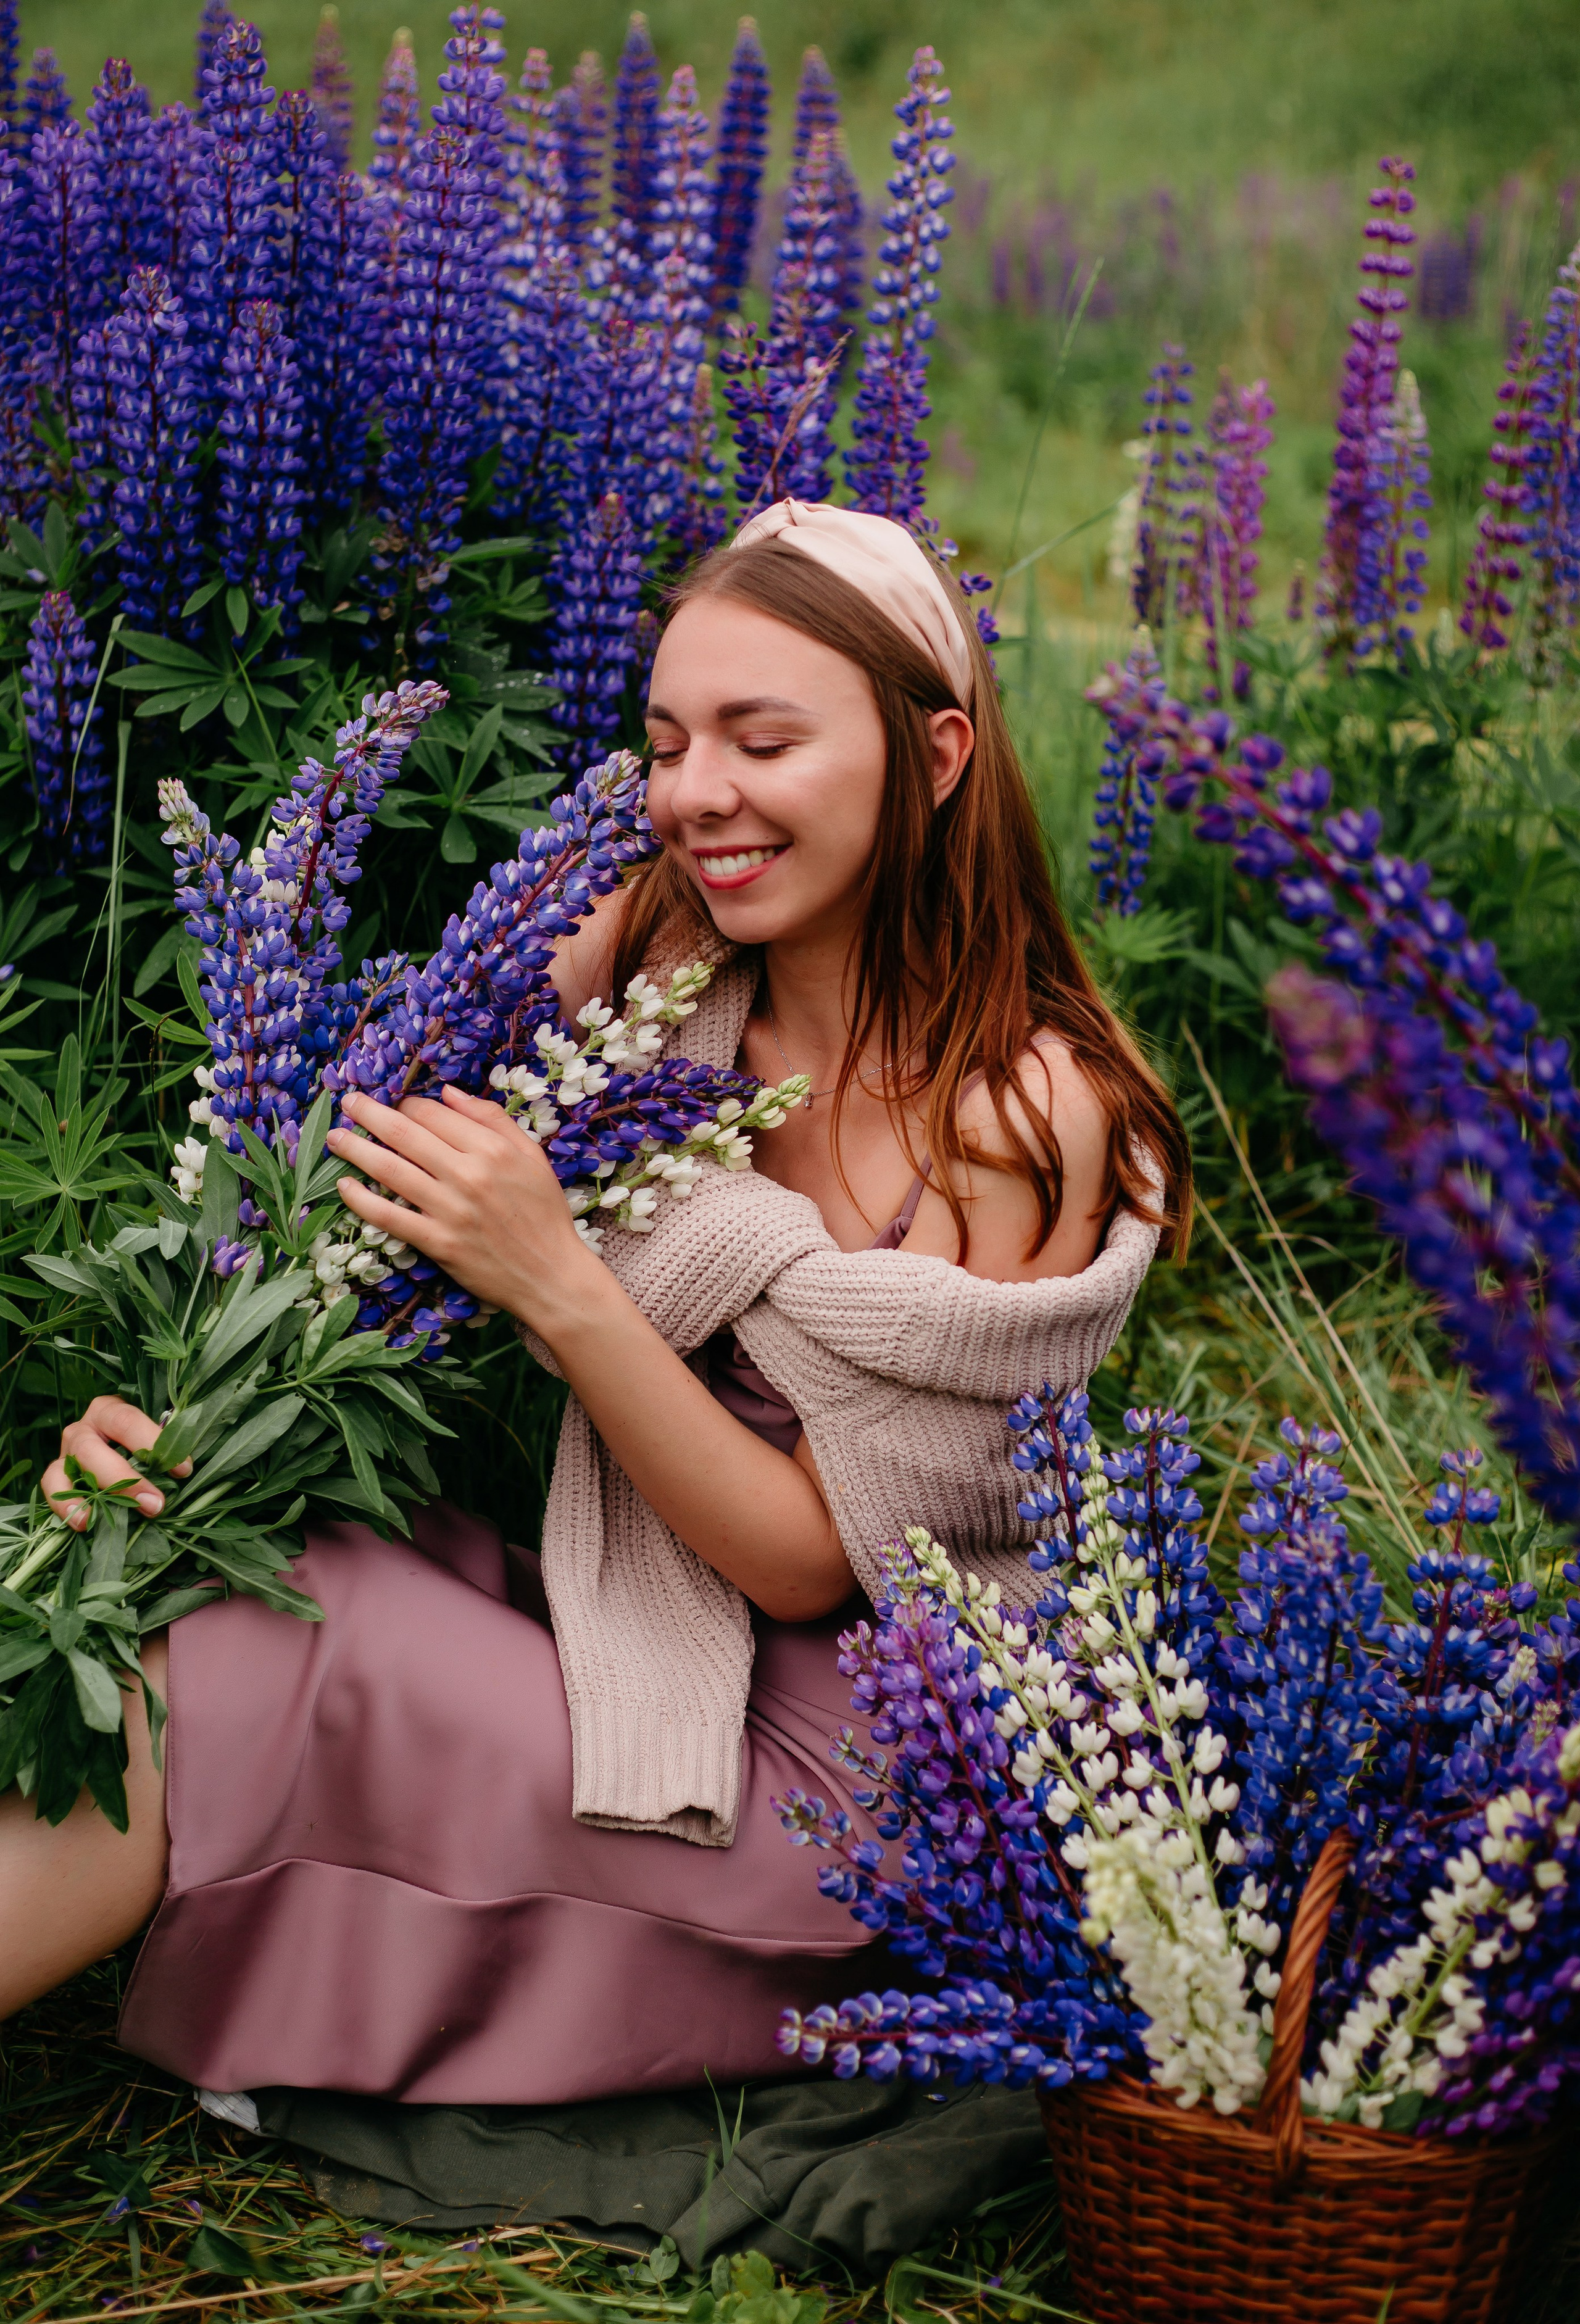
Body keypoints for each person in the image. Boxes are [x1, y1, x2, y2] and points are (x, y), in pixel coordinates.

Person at [1, 502, 1189, 2106]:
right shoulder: (668, 948)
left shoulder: (1019, 1113)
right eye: (670, 740)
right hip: (633, 1609)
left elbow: (806, 1562)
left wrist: (557, 1277)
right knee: (216, 1559)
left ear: (941, 753)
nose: (696, 793)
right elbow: (390, 1169)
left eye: (762, 741)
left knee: (258, 1644)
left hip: (851, 1779)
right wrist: (184, 1413)